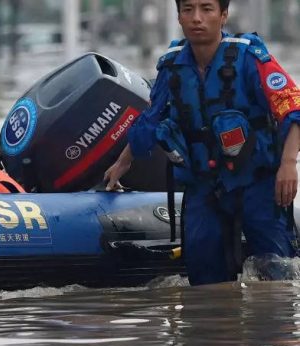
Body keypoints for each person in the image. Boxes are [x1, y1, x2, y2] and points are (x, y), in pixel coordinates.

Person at [102, 0, 300, 285]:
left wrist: (288, 164)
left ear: (223, 15)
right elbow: (151, 118)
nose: (197, 18)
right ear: (179, 16)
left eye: (207, 9)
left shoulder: (249, 57)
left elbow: (292, 107)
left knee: (276, 274)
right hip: (204, 185)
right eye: (188, 10)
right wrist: (123, 162)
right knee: (204, 278)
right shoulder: (172, 66)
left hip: (256, 183)